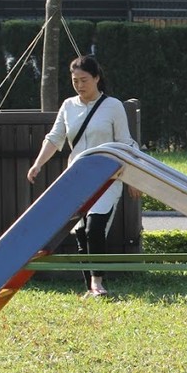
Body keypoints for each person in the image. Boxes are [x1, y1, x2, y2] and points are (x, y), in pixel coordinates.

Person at [26, 56, 138, 298]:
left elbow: (125, 143)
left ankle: (97, 283)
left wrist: (133, 178)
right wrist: (38, 164)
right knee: (80, 231)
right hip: (77, 178)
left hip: (108, 177)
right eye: (75, 80)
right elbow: (54, 139)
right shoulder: (68, 106)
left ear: (97, 78)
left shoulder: (113, 106)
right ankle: (91, 286)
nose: (79, 85)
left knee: (95, 226)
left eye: (84, 80)